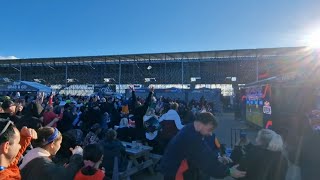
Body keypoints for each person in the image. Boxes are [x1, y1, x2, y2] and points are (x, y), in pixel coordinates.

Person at [160, 112, 246, 180]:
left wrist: (217, 158)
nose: (210, 133)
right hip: (175, 172)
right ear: (201, 124)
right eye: (209, 129)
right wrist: (229, 172)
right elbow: (206, 162)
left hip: (177, 168)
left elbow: (205, 150)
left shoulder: (191, 129)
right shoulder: (191, 137)